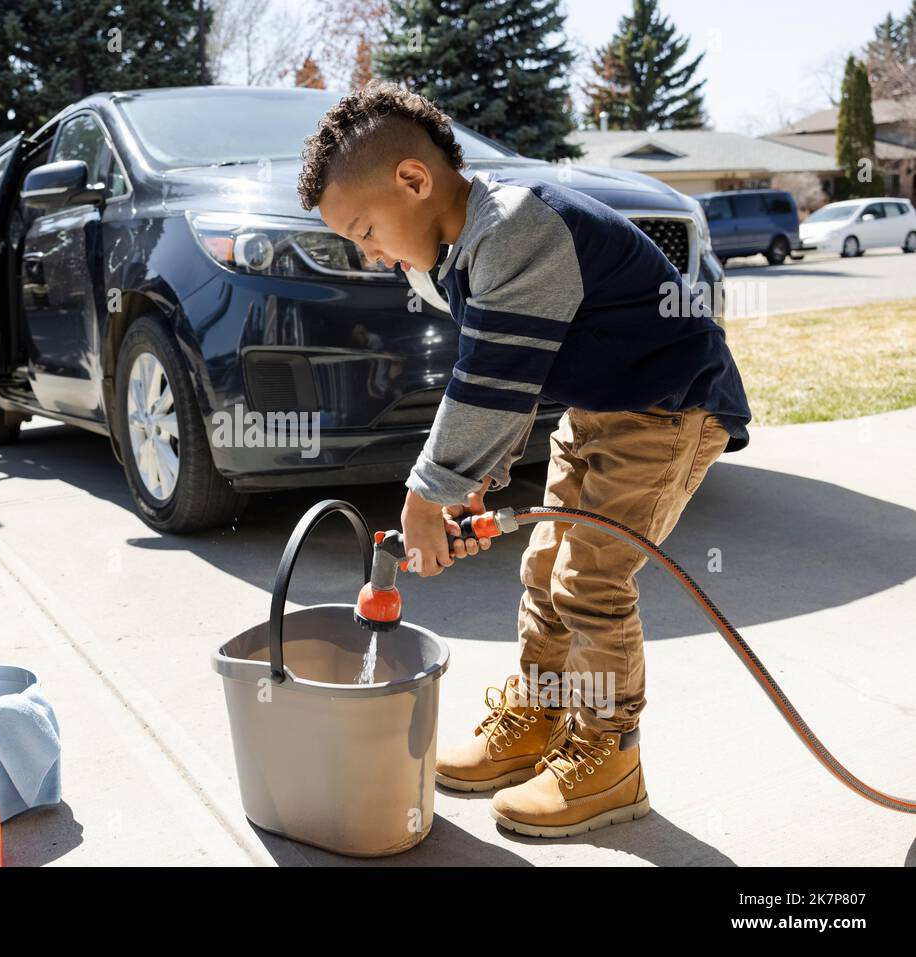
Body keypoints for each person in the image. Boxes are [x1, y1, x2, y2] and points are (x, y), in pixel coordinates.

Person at [298, 81, 752, 837]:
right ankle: (542, 717)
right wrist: (473, 483)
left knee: (591, 577)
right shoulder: (457, 253)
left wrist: (425, 494)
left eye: (366, 228)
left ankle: (611, 755)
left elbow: (488, 383)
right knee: (544, 567)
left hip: (669, 408)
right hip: (600, 408)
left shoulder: (515, 225)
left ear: (414, 179)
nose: (370, 254)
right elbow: (509, 376)